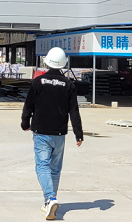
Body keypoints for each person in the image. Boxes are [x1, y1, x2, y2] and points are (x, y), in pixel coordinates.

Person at [22, 47, 84, 220]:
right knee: (55, 169)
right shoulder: (68, 85)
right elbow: (74, 111)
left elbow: (28, 106)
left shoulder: (37, 82)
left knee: (42, 166)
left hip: (41, 132)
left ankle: (50, 198)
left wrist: (25, 123)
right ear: (64, 64)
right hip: (59, 133)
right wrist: (78, 134)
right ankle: (49, 202)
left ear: (47, 61)